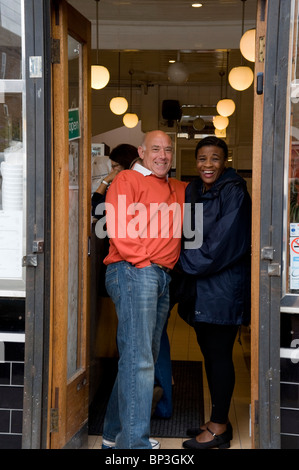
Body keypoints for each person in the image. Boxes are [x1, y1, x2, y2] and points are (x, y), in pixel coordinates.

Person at [101, 130, 186, 449]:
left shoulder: (175, 187)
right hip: (134, 270)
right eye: (156, 149)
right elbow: (120, 229)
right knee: (139, 358)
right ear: (142, 151)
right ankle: (133, 446)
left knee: (138, 356)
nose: (163, 155)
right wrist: (145, 265)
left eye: (168, 150)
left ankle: (112, 435)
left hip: (160, 276)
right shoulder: (126, 180)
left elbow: (211, 185)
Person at [178, 136, 251, 450]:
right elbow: (186, 232)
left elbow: (221, 245)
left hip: (223, 288)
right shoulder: (194, 189)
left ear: (225, 161)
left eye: (215, 159)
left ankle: (219, 429)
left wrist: (179, 261)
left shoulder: (235, 191)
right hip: (200, 289)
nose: (208, 165)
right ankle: (216, 419)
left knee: (220, 357)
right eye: (203, 159)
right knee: (209, 355)